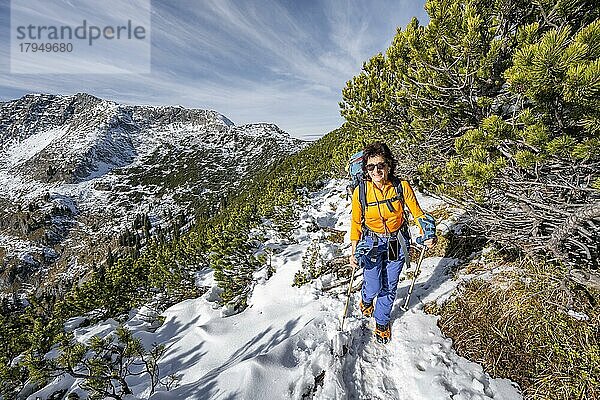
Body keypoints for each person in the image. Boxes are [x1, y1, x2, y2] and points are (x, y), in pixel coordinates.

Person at [349, 142, 437, 343]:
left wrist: (428, 233)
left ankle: (381, 321)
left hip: (395, 241)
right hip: (371, 241)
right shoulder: (360, 192)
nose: (376, 170)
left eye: (381, 165)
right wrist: (353, 250)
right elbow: (355, 222)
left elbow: (417, 213)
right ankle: (366, 299)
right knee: (372, 284)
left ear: (389, 165)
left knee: (389, 284)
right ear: (366, 170)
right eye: (371, 167)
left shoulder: (401, 187)